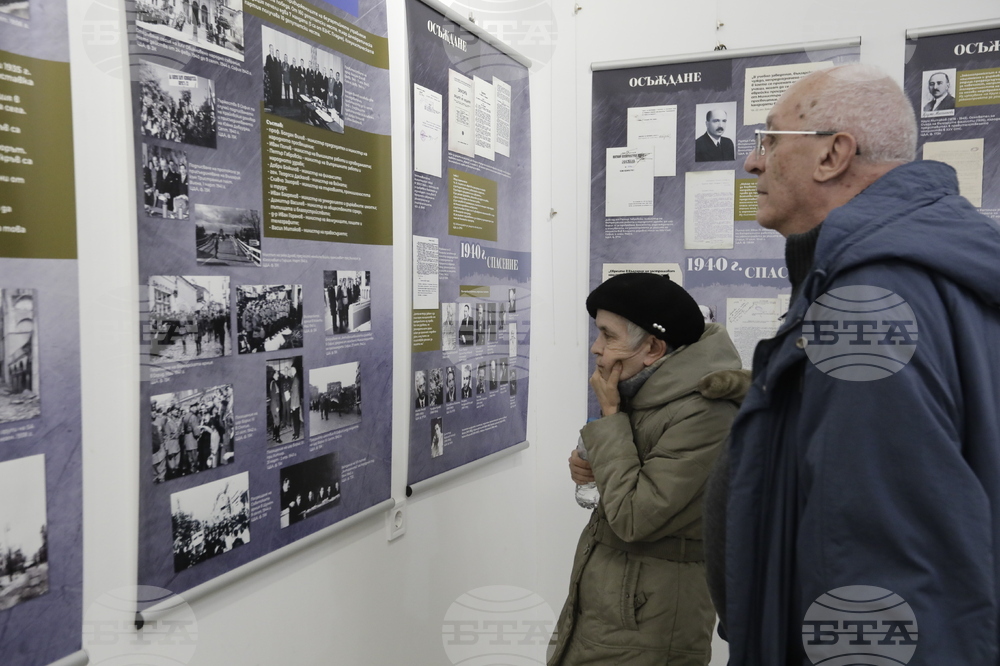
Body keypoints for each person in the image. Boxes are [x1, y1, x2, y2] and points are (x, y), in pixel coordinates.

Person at [709, 63, 1000, 664]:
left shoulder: (868, 304)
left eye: (769, 139)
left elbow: (881, 565)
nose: (753, 163)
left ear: (832, 154)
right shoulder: (930, 264)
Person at [548, 272, 745, 666]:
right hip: (617, 604)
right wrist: (591, 463)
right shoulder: (647, 391)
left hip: (652, 618)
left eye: (607, 335)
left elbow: (635, 516)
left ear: (653, 347)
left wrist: (608, 417)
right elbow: (631, 477)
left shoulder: (705, 411)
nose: (595, 347)